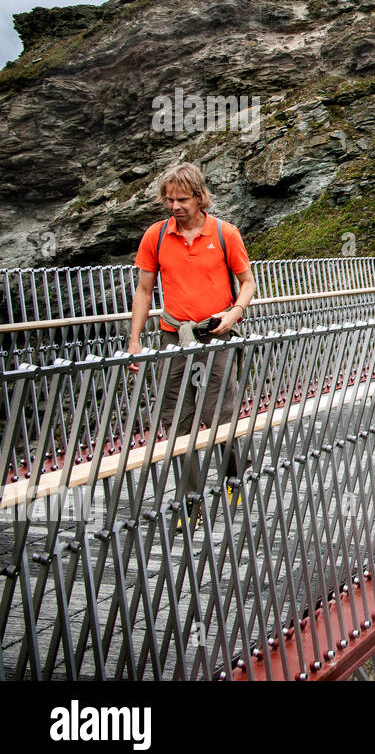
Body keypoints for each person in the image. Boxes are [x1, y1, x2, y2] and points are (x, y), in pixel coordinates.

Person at [127, 162, 256, 513]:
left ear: (200, 197)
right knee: (176, 417)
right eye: (169, 200)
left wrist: (234, 314)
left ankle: (234, 478)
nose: (174, 206)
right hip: (174, 337)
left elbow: (248, 283)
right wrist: (134, 341)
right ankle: (190, 499)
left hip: (217, 334)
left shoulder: (224, 233)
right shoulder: (155, 235)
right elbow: (143, 290)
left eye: (182, 199)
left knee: (221, 412)